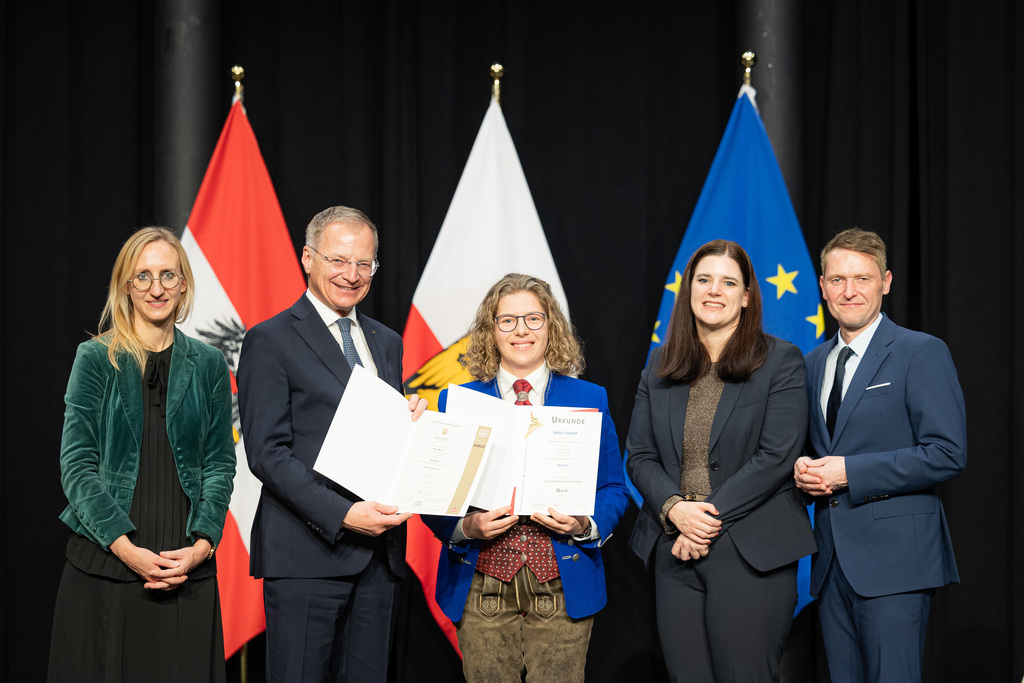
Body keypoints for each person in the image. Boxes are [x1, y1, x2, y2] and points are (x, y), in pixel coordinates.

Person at [236, 206, 426, 683]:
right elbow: (267, 453)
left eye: (364, 263)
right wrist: (343, 514)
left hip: (379, 560)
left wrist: (410, 424)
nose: (351, 275)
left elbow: (377, 436)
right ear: (307, 258)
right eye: (338, 260)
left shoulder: (387, 341)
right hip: (305, 554)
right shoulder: (269, 339)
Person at [48, 227, 236, 681]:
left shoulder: (210, 363)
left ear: (184, 283)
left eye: (168, 275)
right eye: (143, 276)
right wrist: (125, 548)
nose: (156, 288)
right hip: (106, 566)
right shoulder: (94, 358)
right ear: (126, 286)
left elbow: (219, 464)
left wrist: (202, 546)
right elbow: (77, 466)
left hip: (187, 572)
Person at [422, 273, 629, 683]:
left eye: (534, 318)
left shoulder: (589, 398)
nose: (521, 330)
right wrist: (466, 527)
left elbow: (613, 488)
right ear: (491, 329)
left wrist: (585, 525)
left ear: (551, 325)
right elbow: (432, 493)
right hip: (480, 586)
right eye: (508, 320)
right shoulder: (458, 400)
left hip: (563, 584)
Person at [626, 239, 816, 682]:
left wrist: (702, 521)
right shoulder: (660, 364)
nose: (714, 290)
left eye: (728, 282)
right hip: (675, 548)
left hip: (750, 550)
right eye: (704, 280)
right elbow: (640, 456)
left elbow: (777, 456)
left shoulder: (780, 360)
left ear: (746, 297)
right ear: (689, 289)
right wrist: (676, 510)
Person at [794, 228, 966, 682]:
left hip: (896, 566)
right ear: (822, 286)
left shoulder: (920, 352)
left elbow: (947, 453)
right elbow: (820, 451)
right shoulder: (811, 364)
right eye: (837, 280)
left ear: (885, 282)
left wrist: (849, 472)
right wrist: (803, 470)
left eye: (862, 278)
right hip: (831, 566)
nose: (849, 291)